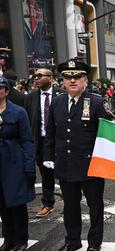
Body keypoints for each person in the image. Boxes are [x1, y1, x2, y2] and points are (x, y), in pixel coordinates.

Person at [44, 59, 111, 251]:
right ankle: (72, 241)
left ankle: (94, 243)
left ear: (85, 79)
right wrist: (48, 157)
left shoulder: (96, 102)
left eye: (77, 77)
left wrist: (107, 162)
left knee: (95, 206)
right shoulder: (56, 103)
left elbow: (108, 133)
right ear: (62, 80)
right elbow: (50, 133)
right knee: (70, 207)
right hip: (66, 165)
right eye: (68, 77)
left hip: (91, 166)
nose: (72, 81)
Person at [0, 76, 36, 251]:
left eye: (0, 88)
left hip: (14, 161)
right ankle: (8, 238)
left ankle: (21, 239)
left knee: (17, 202)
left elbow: (27, 140)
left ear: (6, 91)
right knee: (2, 204)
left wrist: (29, 166)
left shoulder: (19, 112)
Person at [25, 68, 60, 218]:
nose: (36, 78)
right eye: (35, 76)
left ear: (50, 77)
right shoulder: (31, 97)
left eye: (40, 76)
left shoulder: (61, 94)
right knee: (45, 174)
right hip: (41, 141)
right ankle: (48, 203)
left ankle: (73, 199)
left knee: (64, 170)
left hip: (60, 140)